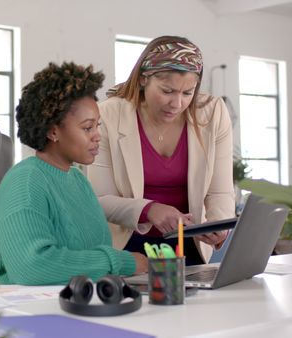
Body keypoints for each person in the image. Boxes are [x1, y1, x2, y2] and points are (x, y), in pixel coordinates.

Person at [0, 62, 149, 285]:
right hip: (22, 311)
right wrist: (124, 262)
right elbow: (32, 268)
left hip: (74, 300)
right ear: (53, 131)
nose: (97, 136)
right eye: (87, 127)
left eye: (98, 126)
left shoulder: (78, 180)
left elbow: (93, 253)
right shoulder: (24, 182)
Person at [87, 36, 235, 265]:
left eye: (188, 93)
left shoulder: (213, 113)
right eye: (167, 91)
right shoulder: (108, 115)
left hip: (189, 243)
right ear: (144, 79)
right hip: (127, 245)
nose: (177, 103)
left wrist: (217, 224)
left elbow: (220, 192)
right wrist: (149, 210)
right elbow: (100, 199)